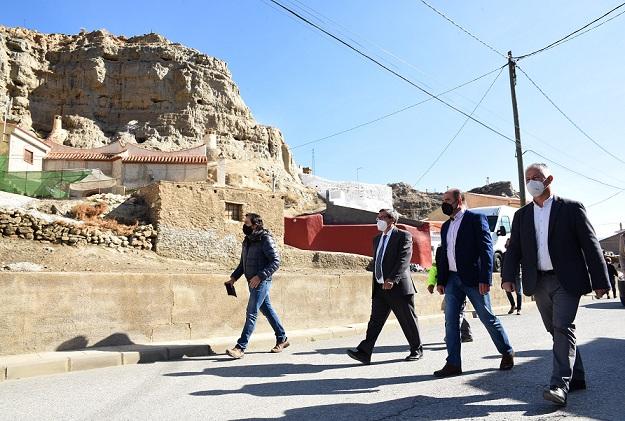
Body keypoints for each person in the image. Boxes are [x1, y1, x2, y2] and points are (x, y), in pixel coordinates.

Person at [502, 163, 610, 406]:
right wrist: (507, 277)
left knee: (562, 327)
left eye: (536, 177)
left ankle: (559, 385)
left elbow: (590, 245)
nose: (531, 182)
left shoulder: (571, 209)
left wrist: (601, 281)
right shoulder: (522, 215)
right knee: (556, 330)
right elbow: (515, 249)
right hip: (538, 281)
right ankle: (577, 376)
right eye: (527, 178)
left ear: (549, 179)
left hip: (567, 280)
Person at [434, 189, 514, 377]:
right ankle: (453, 363)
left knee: (487, 317)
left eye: (448, 200)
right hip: (452, 279)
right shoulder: (446, 226)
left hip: (473, 279)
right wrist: (441, 280)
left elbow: (486, 250)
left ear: (459, 200)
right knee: (450, 322)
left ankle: (507, 352)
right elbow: (444, 255)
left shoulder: (475, 219)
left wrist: (485, 278)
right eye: (443, 200)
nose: (444, 203)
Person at [346, 208, 424, 364]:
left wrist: (392, 279)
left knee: (407, 319)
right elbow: (379, 260)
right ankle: (364, 352)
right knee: (375, 321)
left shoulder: (403, 236)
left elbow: (404, 259)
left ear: (392, 220)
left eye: (382, 217)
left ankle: (417, 349)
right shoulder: (377, 239)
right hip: (380, 287)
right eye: (378, 218)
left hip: (398, 286)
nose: (378, 220)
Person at [225, 213, 289, 359]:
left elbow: (275, 261)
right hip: (251, 282)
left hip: (262, 281)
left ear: (255, 225)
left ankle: (240, 347)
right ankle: (282, 338)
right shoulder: (247, 240)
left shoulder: (265, 239)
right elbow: (243, 264)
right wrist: (233, 278)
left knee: (251, 312)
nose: (244, 225)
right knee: (267, 310)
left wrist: (260, 276)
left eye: (246, 223)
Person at [428, 247, 473, 342]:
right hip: (449, 287)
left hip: (463, 285)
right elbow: (435, 268)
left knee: (456, 311)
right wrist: (431, 283)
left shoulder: (464, 247)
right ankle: (466, 334)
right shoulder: (441, 250)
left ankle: (451, 336)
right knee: (455, 310)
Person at [503, 238, 522, 315]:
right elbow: (502, 266)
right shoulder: (504, 254)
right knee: (507, 291)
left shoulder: (517, 253)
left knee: (518, 292)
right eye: (507, 243)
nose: (508, 244)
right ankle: (513, 305)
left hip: (516, 274)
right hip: (507, 275)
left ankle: (519, 308)